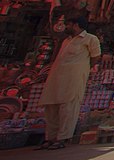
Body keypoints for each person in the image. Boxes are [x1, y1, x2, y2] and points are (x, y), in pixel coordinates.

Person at [37, 15, 101, 150]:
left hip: (73, 78)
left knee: (68, 107)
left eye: (69, 24)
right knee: (51, 107)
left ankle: (62, 138)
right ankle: (50, 137)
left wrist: (82, 68)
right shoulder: (66, 40)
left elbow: (96, 57)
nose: (66, 27)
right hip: (56, 77)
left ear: (76, 25)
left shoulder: (90, 39)